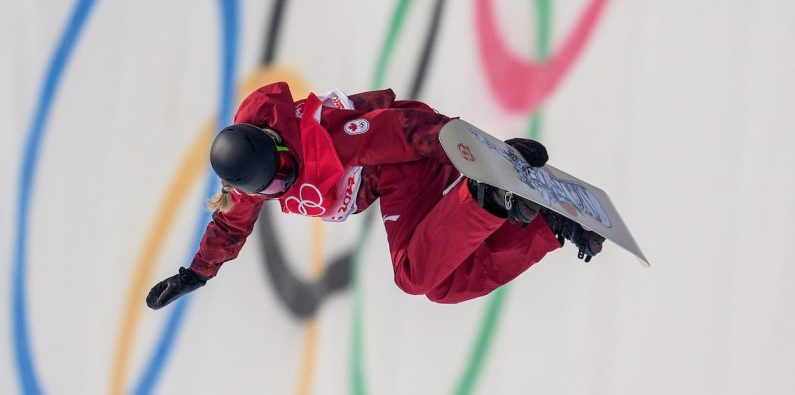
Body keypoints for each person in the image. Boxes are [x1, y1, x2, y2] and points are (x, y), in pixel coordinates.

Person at [145, 82, 603, 310]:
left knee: (413, 274)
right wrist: (196, 273)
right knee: (443, 284)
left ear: (278, 143)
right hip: (393, 180)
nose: (284, 183)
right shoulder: (251, 182)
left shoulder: (329, 138)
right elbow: (229, 222)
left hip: (409, 159)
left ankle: (488, 197)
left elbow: (408, 130)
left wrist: (488, 158)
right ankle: (541, 223)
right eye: (273, 188)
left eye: (285, 169)